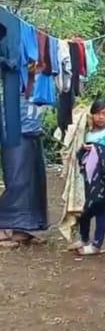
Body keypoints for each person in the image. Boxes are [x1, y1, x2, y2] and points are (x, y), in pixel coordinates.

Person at [74, 98, 105, 256]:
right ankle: (84, 237)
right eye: (97, 113)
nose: (100, 117)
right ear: (92, 115)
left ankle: (97, 244)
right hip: (88, 176)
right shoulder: (87, 133)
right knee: (85, 207)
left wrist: (94, 148)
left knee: (100, 207)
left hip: (103, 178)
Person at [0, 100, 49, 247]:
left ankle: (22, 228)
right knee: (17, 179)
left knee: (34, 181)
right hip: (14, 128)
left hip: (32, 129)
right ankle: (2, 228)